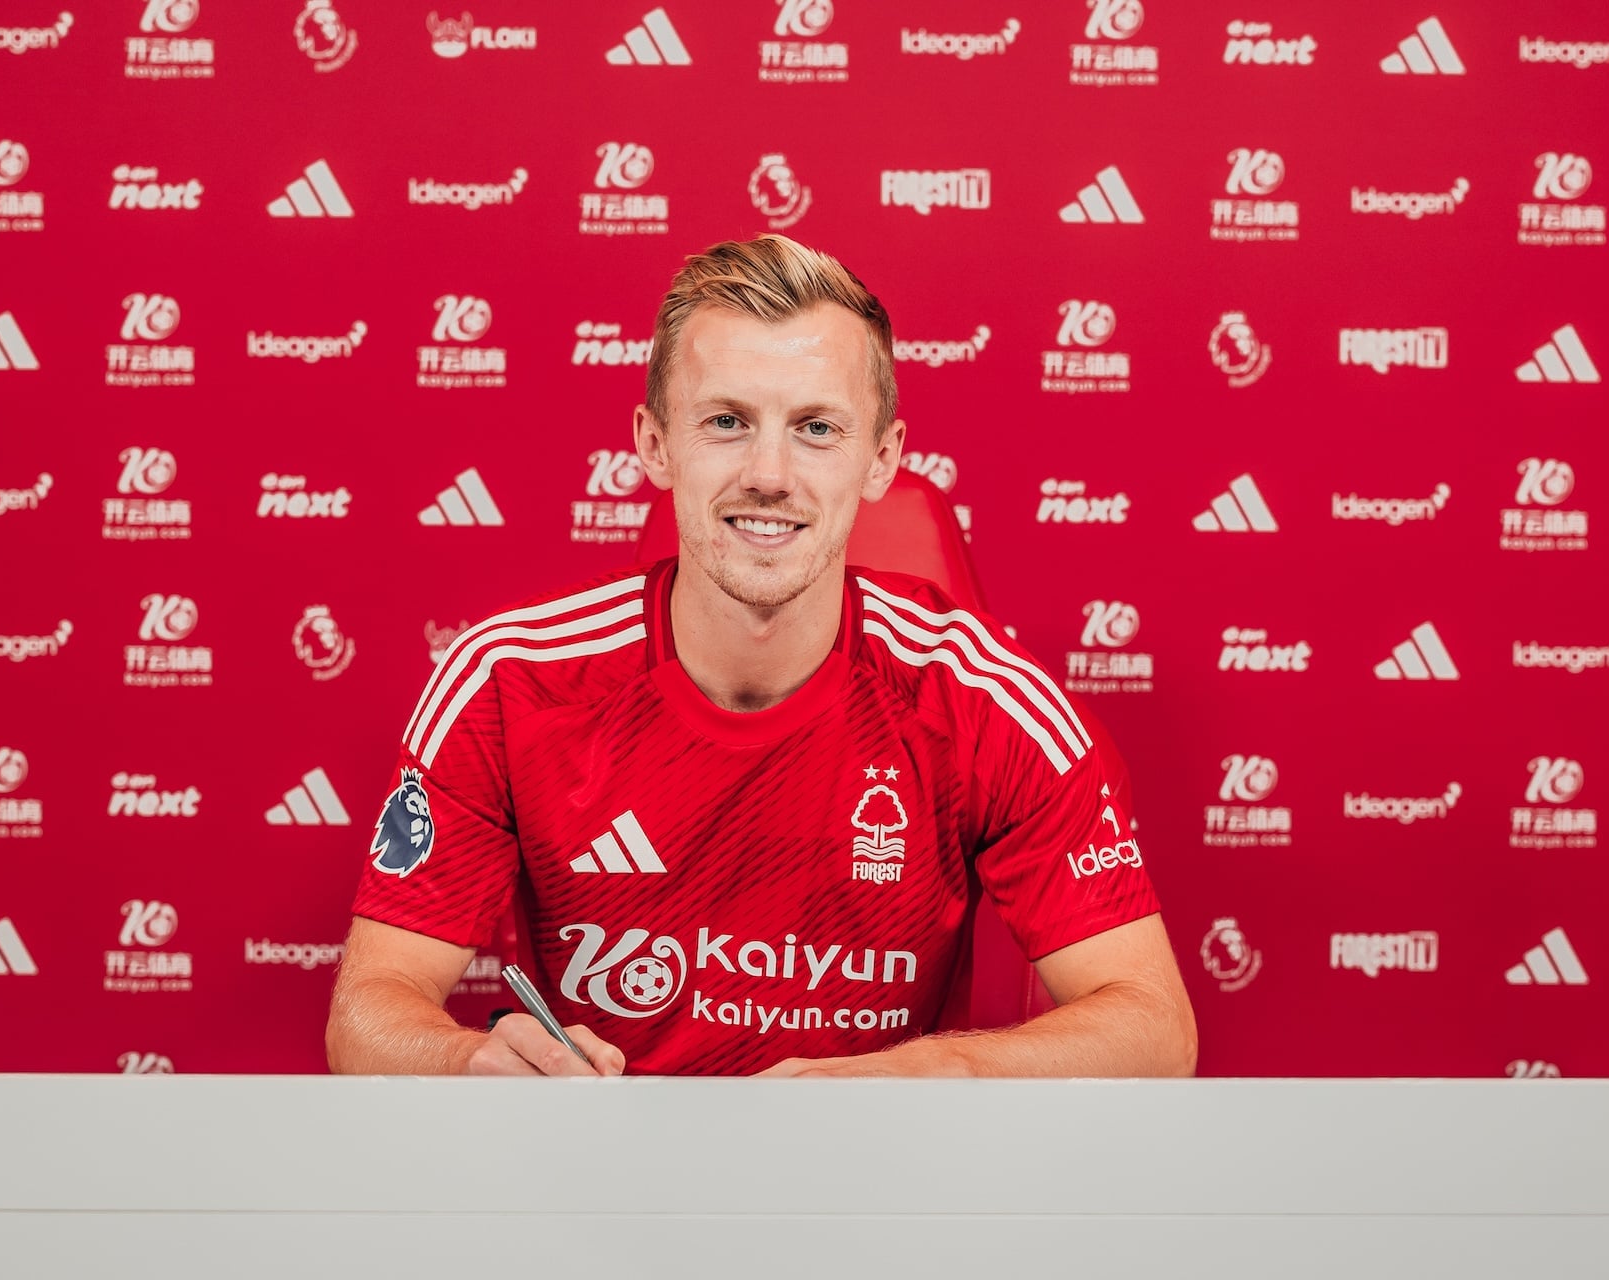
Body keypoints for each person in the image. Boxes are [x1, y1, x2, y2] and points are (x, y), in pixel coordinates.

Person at [326, 235, 1197, 1078]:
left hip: (880, 1160)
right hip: (600, 1163)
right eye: (726, 421)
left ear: (881, 459)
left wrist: (930, 1071)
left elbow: (1153, 1027)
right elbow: (369, 1011)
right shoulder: (510, 680)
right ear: (655, 445)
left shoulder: (981, 700)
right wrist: (467, 1058)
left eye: (816, 427)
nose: (769, 474)